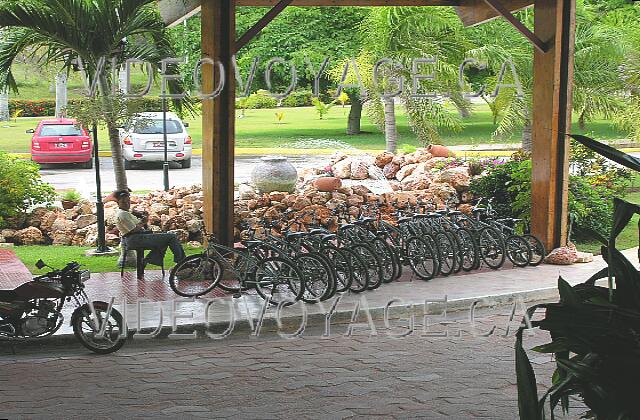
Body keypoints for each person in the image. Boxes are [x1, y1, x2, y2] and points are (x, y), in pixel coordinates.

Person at [106, 190, 186, 267]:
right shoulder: (123, 214)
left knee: (165, 239)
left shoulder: (125, 212)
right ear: (118, 203)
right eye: (123, 202)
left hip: (136, 238)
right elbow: (133, 229)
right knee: (171, 236)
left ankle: (149, 260)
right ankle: (181, 262)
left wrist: (141, 216)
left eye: (128, 201)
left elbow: (137, 224)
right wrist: (144, 221)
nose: (127, 204)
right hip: (135, 239)